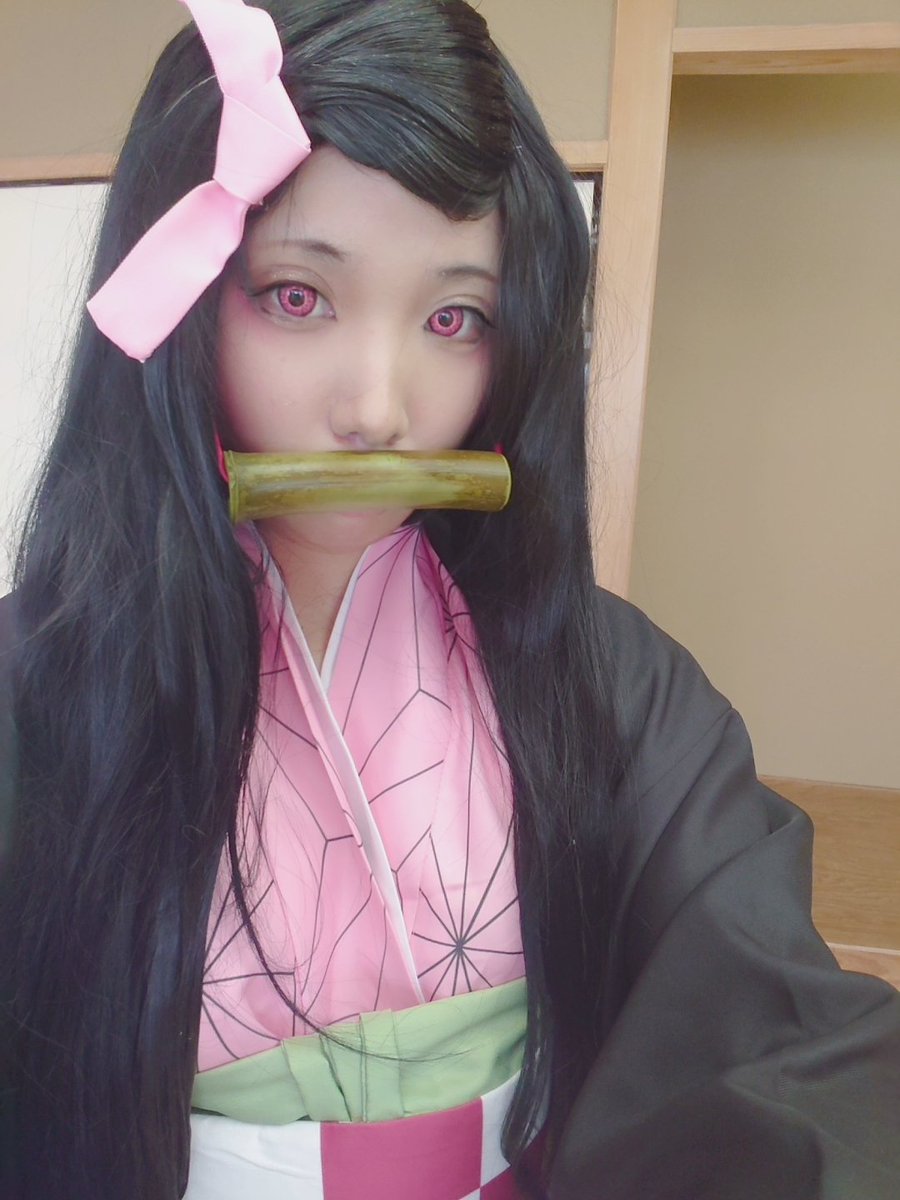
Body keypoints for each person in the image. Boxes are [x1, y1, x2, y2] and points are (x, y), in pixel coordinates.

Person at [1, 1, 898, 1197]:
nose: (378, 407)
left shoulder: (608, 682)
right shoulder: (30, 693)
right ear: (185, 301)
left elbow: (778, 1038)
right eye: (298, 296)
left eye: (453, 317)